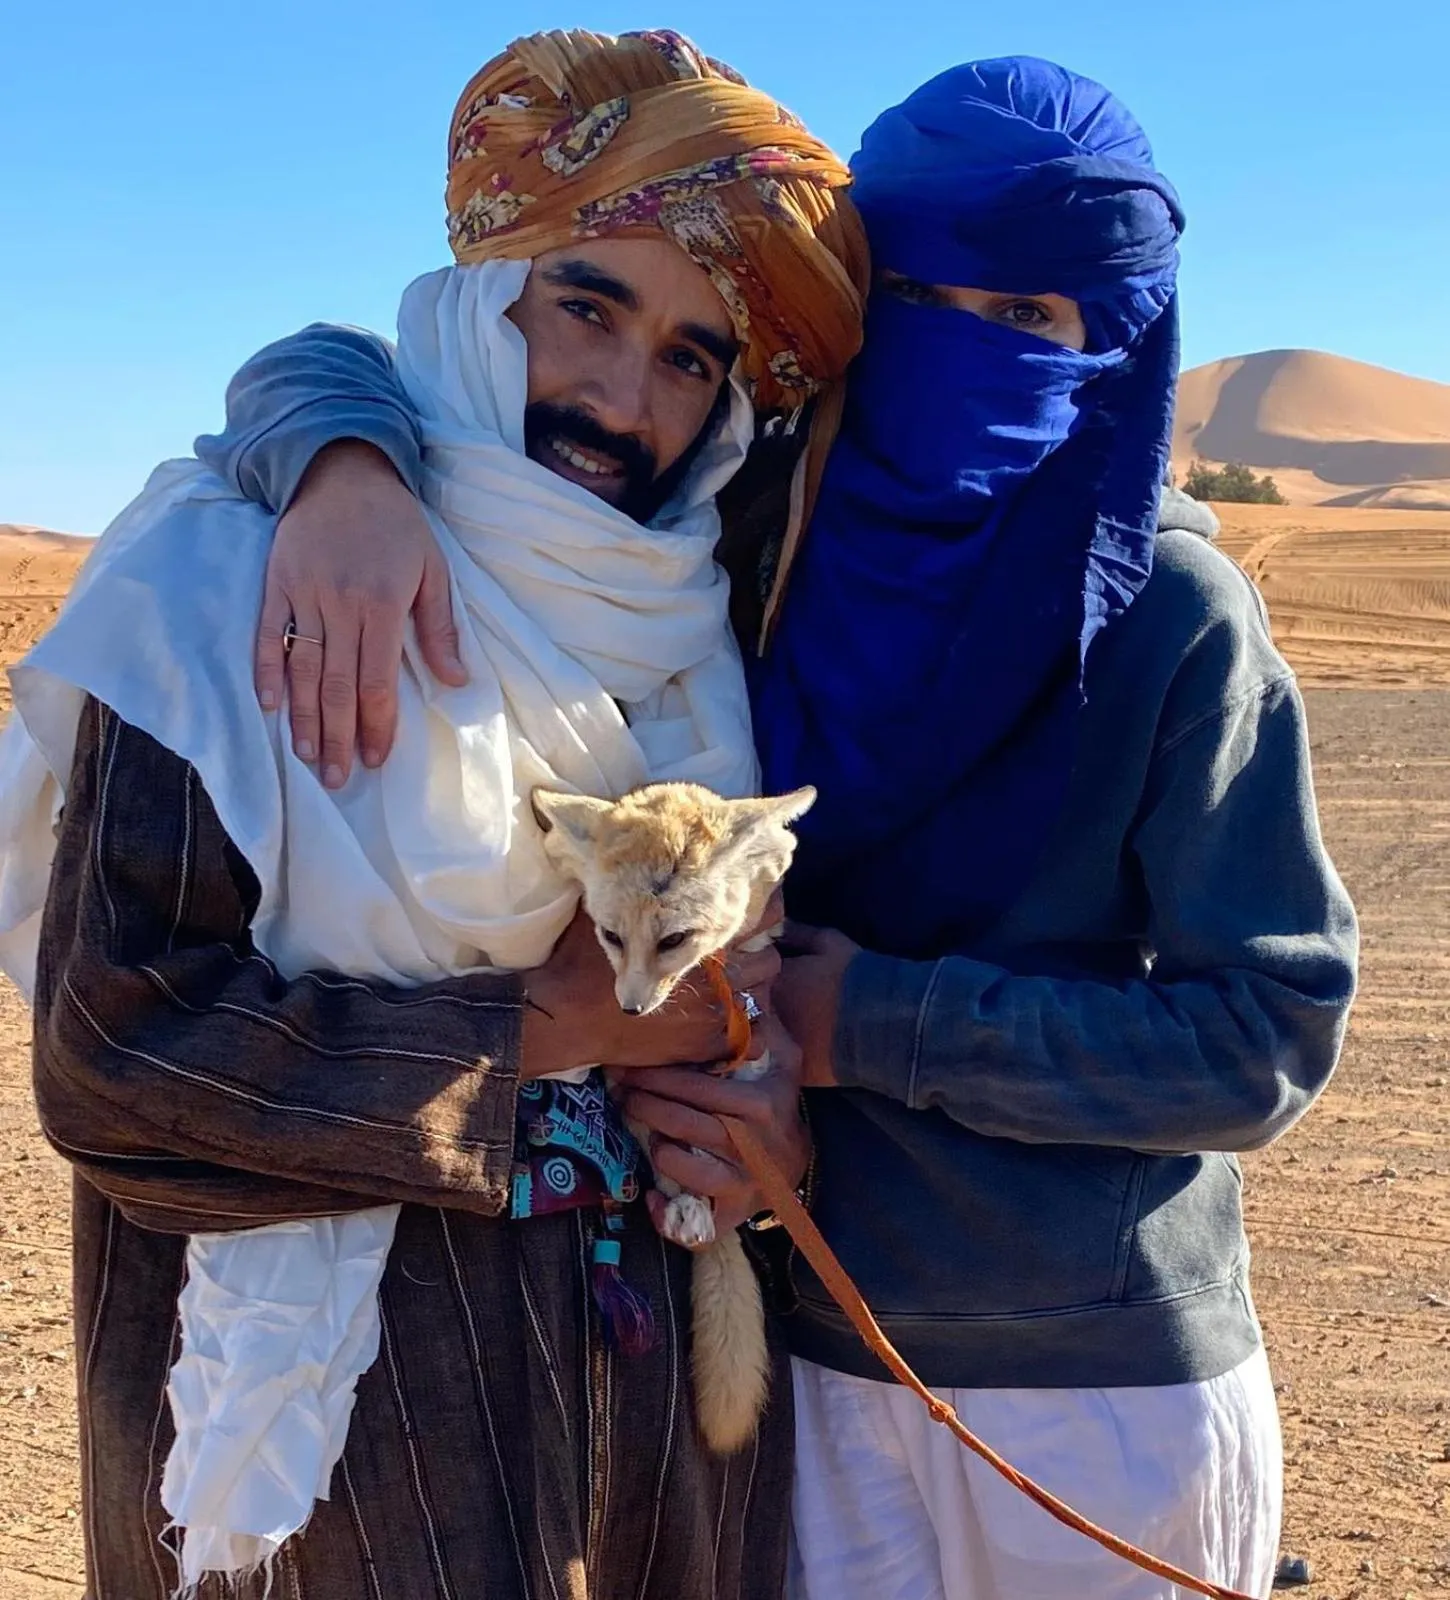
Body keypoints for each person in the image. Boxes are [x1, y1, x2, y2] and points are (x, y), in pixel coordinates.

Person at [186, 57, 1358, 1600]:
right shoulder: (742, 530)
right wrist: (345, 468)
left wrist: (857, 1021)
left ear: (1115, 337)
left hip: (1090, 1386)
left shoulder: (1175, 617)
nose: (967, 347)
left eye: (1028, 315)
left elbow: (1261, 1037)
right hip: (777, 1369)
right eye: (920, 298)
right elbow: (356, 361)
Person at [0, 29, 868, 1600]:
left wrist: (750, 1110)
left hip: (647, 1439)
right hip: (351, 1466)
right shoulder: (228, 584)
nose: (622, 397)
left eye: (692, 357)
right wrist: (551, 1027)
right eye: (584, 308)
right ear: (488, 297)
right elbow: (117, 1066)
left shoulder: (695, 620)